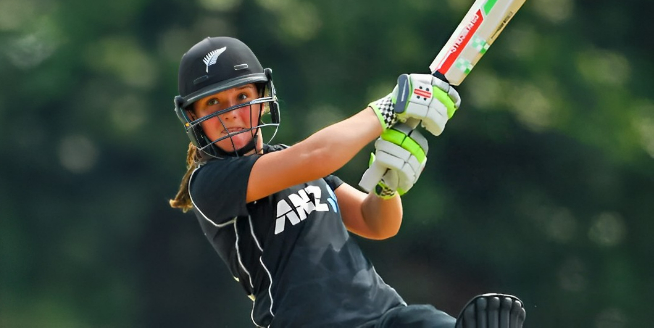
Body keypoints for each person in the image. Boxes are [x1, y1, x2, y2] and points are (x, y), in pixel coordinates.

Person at [170, 36, 526, 328]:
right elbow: (317, 155)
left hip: (387, 317)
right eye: (213, 103)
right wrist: (389, 108)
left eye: (242, 97)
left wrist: (387, 185)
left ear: (263, 100)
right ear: (193, 117)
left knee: (440, 322)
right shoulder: (210, 183)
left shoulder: (292, 162)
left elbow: (376, 222)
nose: (231, 113)